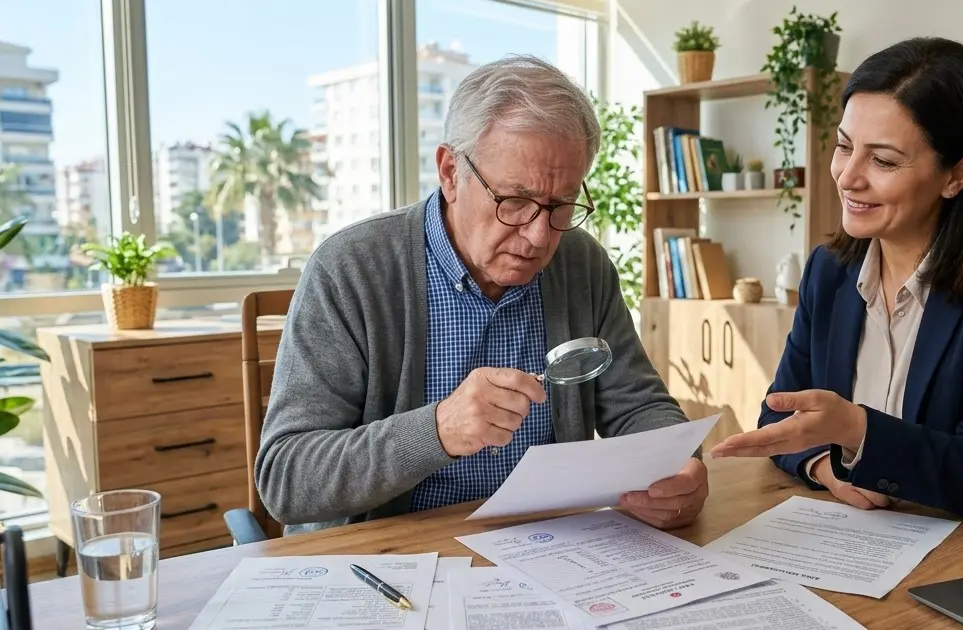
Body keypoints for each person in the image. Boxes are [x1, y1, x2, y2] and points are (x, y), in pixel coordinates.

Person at [255, 55, 708, 535]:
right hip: (392, 555)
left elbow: (638, 406)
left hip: (549, 545)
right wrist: (437, 431)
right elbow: (287, 479)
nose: (538, 236)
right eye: (515, 200)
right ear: (450, 172)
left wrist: (679, 466)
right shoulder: (350, 268)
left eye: (561, 205)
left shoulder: (582, 264)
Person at [709, 37, 963, 533]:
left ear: (957, 175)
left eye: (883, 161)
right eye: (844, 147)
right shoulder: (829, 272)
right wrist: (826, 466)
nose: (847, 177)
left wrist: (857, 431)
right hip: (873, 539)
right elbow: (780, 419)